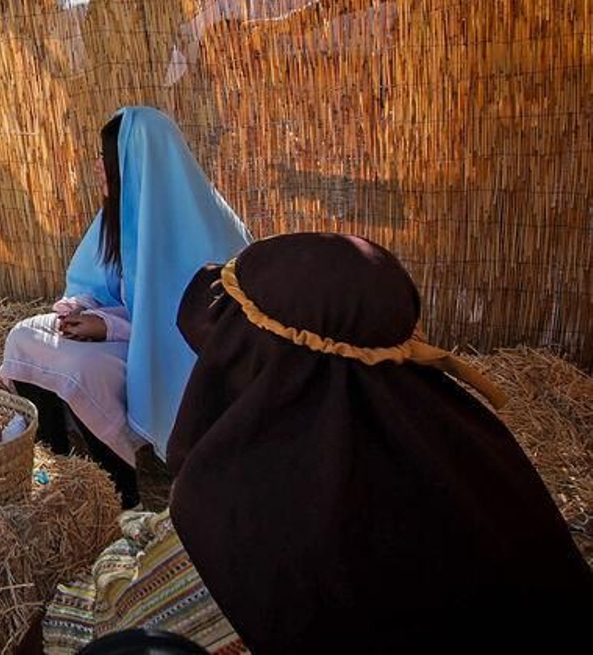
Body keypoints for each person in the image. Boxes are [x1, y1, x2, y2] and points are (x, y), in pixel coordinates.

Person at [44, 233, 593, 654]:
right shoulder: (467, 436)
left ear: (249, 358)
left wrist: (110, 562)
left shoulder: (241, 508)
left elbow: (124, 619)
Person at [0, 107, 248, 507]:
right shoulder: (118, 214)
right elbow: (97, 283)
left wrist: (107, 328)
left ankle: (122, 489)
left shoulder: (200, 227)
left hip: (175, 357)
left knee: (84, 368)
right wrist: (79, 309)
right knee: (23, 336)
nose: (97, 167)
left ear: (135, 164)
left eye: (107, 160)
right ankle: (57, 460)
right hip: (127, 334)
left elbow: (183, 327)